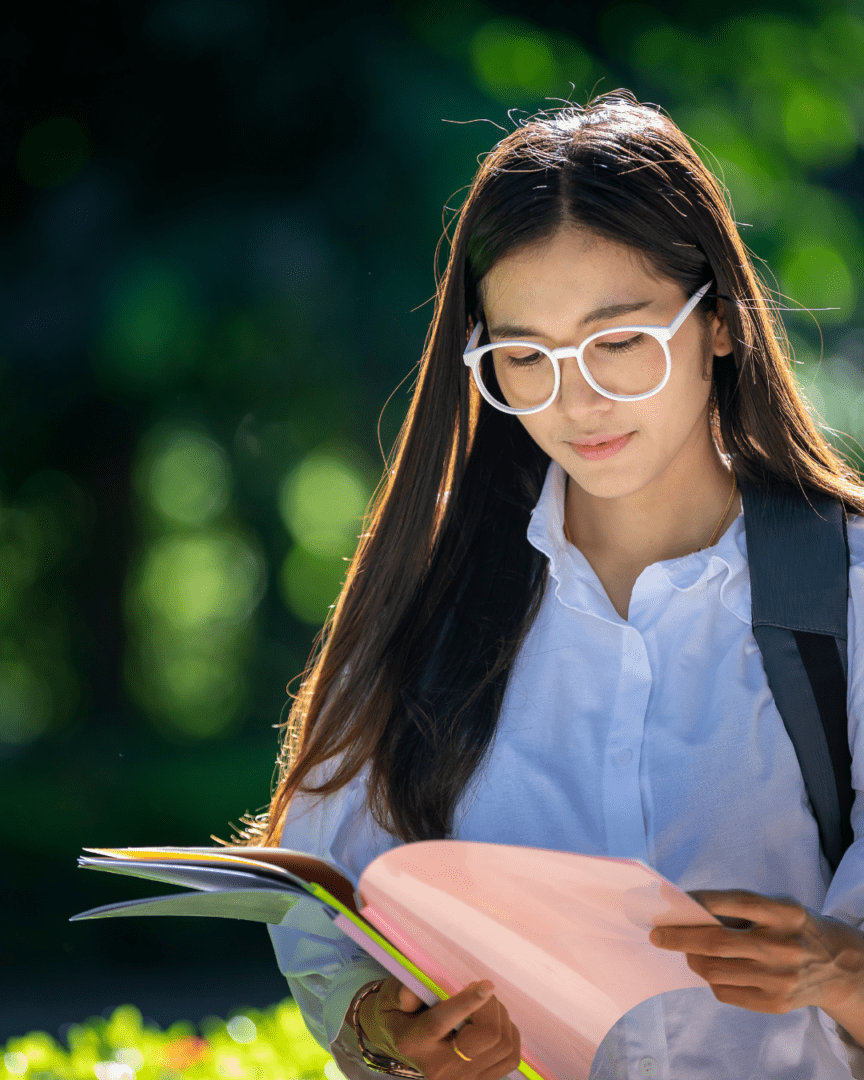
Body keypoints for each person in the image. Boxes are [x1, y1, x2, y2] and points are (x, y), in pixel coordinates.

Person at [241, 91, 864, 1079]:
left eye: (621, 341)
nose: (577, 400)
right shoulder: (427, 593)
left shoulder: (848, 593)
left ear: (721, 327)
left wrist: (838, 971)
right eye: (524, 357)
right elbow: (324, 914)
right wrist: (394, 1039)